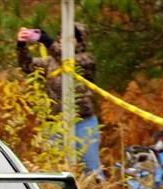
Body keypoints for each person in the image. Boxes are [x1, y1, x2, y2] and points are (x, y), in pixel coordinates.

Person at [16, 24, 104, 177]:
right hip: (55, 122)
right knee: (55, 168)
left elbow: (67, 60)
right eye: (63, 36)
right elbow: (27, 66)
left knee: (91, 169)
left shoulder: (86, 60)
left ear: (80, 41)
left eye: (71, 37)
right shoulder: (50, 62)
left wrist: (47, 42)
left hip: (83, 122)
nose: (66, 40)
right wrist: (21, 45)